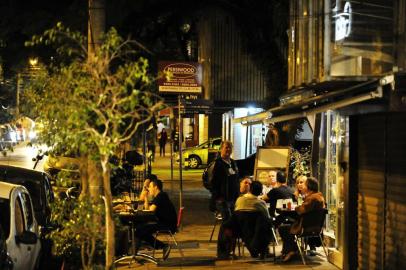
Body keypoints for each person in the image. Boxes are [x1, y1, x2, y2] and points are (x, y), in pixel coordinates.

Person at [278, 176, 325, 262]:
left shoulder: (312, 198)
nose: (303, 186)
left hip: (307, 227)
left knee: (283, 228)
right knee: (287, 226)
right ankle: (288, 251)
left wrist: (297, 207)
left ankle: (292, 251)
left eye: (305, 184)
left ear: (309, 187)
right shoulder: (318, 196)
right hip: (315, 226)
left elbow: (300, 210)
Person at [210, 140, 240, 259]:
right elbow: (213, 183)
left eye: (230, 148)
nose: (228, 150)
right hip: (222, 200)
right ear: (221, 149)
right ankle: (222, 252)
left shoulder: (232, 163)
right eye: (226, 148)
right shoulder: (218, 164)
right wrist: (219, 197)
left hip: (233, 200)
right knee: (226, 223)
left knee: (233, 224)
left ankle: (230, 251)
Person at [135, 178, 177, 260]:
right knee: (140, 229)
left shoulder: (161, 196)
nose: (148, 189)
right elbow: (148, 209)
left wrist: (146, 198)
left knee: (140, 230)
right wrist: (146, 198)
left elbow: (151, 210)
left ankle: (163, 246)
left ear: (156, 187)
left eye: (150, 186)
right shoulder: (160, 196)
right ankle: (134, 253)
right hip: (164, 223)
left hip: (167, 225)